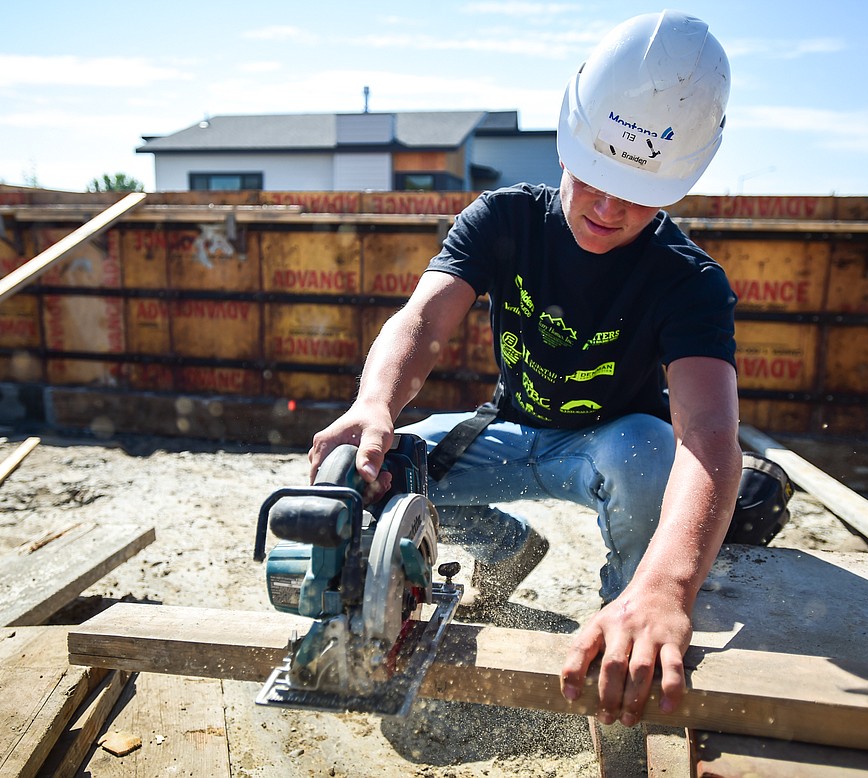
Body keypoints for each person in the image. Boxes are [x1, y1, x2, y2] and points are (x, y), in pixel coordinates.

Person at [309, 9, 739, 728]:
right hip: (508, 429)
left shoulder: (689, 281)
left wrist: (670, 584)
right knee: (380, 465)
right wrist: (375, 403)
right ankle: (508, 547)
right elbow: (421, 323)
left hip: (609, 448)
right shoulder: (505, 218)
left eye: (638, 193)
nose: (607, 206)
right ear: (568, 143)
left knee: (646, 453)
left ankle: (632, 609)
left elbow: (708, 435)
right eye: (596, 177)